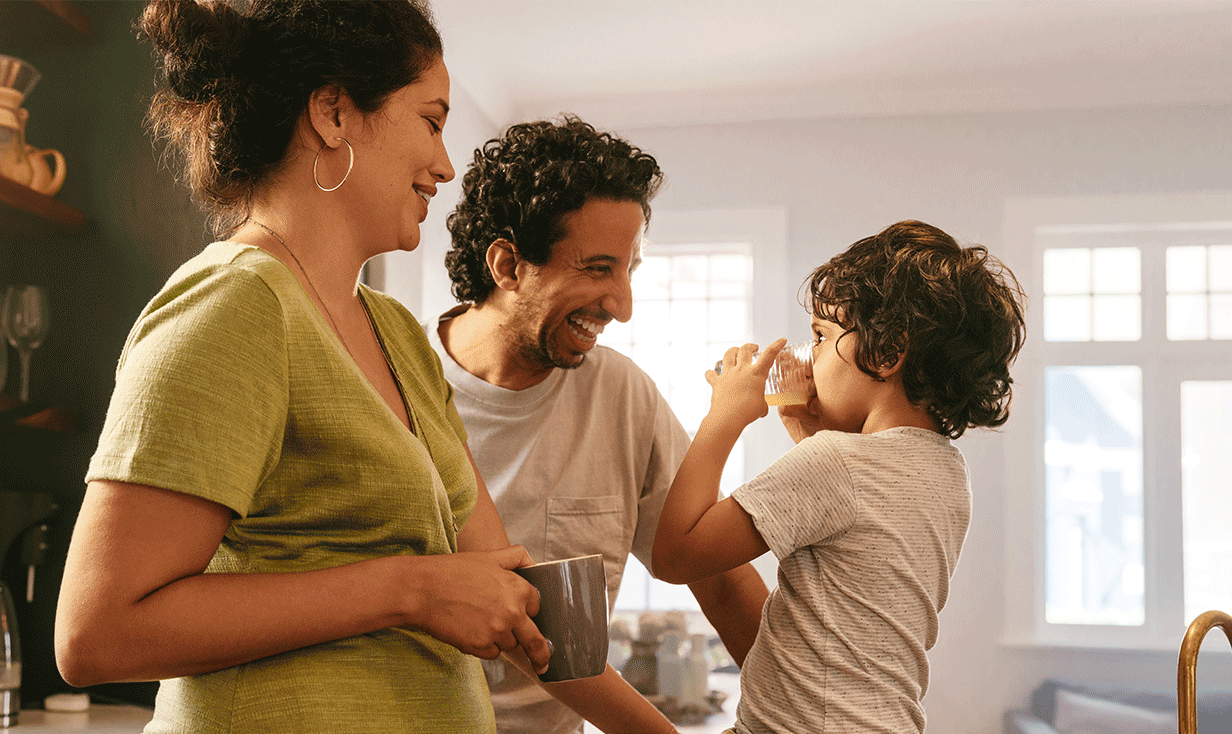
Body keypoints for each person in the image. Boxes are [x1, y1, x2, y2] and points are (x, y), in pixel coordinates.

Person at [55, 3, 674, 733]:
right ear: (334, 113)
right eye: (432, 121)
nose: (446, 165)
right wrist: (408, 590)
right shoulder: (235, 307)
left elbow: (509, 594)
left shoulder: (396, 338)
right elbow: (97, 633)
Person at [429, 115, 770, 734]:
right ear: (507, 265)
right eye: (597, 269)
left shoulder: (620, 395)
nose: (623, 305)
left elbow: (719, 581)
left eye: (629, 270)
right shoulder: (400, 384)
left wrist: (814, 710)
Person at [652, 220, 1027, 734]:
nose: (811, 358)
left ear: (887, 352)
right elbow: (857, 539)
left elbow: (676, 555)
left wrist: (725, 415)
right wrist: (810, 435)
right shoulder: (946, 472)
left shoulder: (835, 463)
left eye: (822, 337)